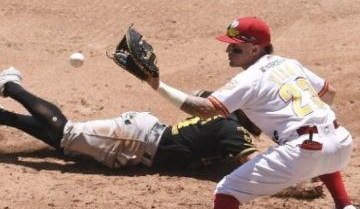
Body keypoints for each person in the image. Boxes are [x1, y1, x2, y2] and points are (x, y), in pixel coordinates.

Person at [142, 16, 360, 209]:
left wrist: (157, 85)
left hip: (306, 150)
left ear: (255, 48)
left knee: (227, 190)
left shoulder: (250, 79)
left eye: (235, 47)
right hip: (342, 142)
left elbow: (201, 109)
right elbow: (330, 93)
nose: (228, 52)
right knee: (321, 151)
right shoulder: (290, 63)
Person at [0, 68, 259, 171]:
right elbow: (254, 165)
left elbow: (199, 96)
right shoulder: (232, 131)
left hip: (141, 137)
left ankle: (5, 116)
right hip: (135, 141)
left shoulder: (221, 116)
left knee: (64, 143)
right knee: (66, 132)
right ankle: (11, 85)